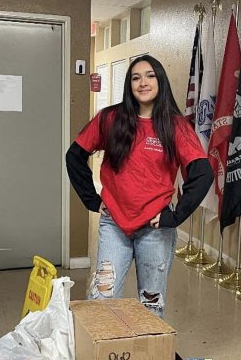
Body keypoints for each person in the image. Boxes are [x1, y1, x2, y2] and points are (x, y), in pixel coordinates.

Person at [66, 55, 213, 317]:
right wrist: (91, 198)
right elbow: (74, 156)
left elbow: (202, 174)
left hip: (155, 227)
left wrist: (176, 215)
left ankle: (149, 358)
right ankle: (98, 357)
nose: (142, 82)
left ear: (160, 81)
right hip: (114, 223)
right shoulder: (110, 118)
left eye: (149, 76)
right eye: (136, 77)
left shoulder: (175, 126)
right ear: (129, 84)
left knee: (151, 304)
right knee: (102, 297)